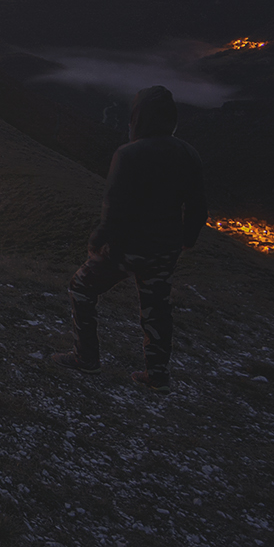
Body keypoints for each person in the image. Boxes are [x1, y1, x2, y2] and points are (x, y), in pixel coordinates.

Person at [48, 85, 206, 391]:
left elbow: (114, 206)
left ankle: (86, 358)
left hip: (126, 247)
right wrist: (188, 239)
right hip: (165, 247)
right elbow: (198, 206)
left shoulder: (129, 154)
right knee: (157, 307)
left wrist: (98, 240)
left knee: (81, 287)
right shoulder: (188, 153)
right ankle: (157, 375)